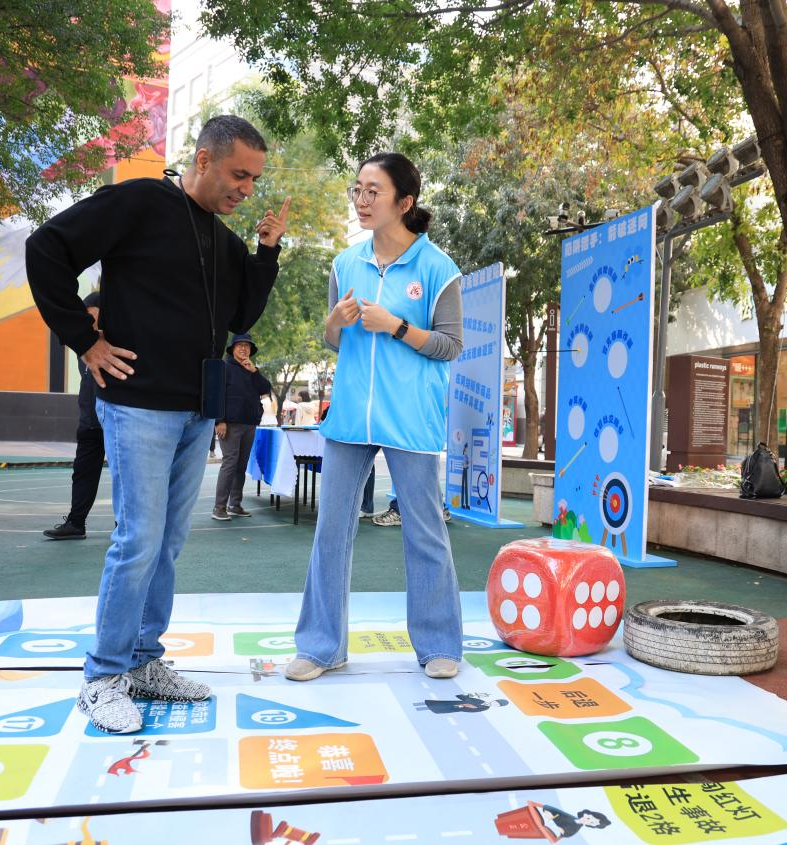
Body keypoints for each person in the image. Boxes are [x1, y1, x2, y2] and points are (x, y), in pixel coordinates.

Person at [26, 114, 288, 733]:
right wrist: (84, 339)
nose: (247, 188)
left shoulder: (223, 239)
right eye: (239, 174)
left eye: (255, 178)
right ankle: (103, 677)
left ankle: (144, 661)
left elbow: (242, 316)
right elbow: (46, 248)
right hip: (137, 404)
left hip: (196, 410)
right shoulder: (141, 201)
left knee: (167, 542)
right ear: (204, 159)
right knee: (138, 540)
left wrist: (266, 253)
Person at [288, 152, 464, 683]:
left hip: (411, 418)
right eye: (358, 190)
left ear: (404, 202)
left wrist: (395, 326)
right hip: (349, 418)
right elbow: (335, 341)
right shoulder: (345, 264)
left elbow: (450, 346)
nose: (362, 201)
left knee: (424, 531)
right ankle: (322, 647)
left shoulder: (438, 268)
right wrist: (333, 322)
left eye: (374, 191)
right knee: (331, 530)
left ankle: (438, 644)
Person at [45, 292, 106, 540]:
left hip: (117, 422)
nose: (85, 317)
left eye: (90, 311)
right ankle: (76, 523)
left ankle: (123, 525)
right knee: (82, 472)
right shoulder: (84, 345)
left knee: (125, 477)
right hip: (89, 422)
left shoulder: (121, 342)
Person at [212, 332, 273, 520]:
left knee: (241, 465)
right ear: (233, 349)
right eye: (240, 345)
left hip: (249, 423)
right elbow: (216, 394)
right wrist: (219, 420)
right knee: (230, 463)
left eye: (247, 346)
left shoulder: (251, 369)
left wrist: (255, 372)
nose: (244, 349)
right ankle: (219, 508)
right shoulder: (224, 367)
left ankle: (235, 504)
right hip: (230, 424)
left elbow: (265, 388)